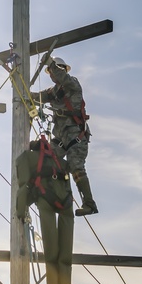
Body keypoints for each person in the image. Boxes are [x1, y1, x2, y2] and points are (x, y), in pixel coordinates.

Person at [15, 137, 75, 284]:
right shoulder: (60, 161)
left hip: (46, 199)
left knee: (51, 252)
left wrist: (20, 212)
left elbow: (23, 186)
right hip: (67, 203)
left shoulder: (27, 157)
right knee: (65, 254)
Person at [37, 56, 98, 215]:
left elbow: (62, 77)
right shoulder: (54, 92)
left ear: (63, 69)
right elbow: (37, 98)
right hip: (61, 138)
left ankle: (89, 205)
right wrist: (20, 92)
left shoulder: (73, 84)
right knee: (45, 160)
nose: (52, 74)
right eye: (51, 72)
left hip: (76, 137)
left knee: (75, 167)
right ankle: (52, 197)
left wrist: (50, 63)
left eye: (55, 70)